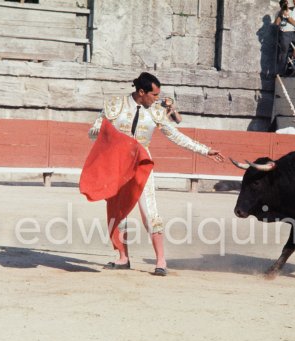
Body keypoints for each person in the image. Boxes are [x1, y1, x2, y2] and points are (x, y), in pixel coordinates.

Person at [82, 72, 224, 276]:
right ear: (142, 92)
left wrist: (205, 150)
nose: (157, 99)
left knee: (149, 212)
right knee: (118, 212)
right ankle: (123, 258)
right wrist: (102, 130)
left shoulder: (156, 112)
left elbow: (176, 136)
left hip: (141, 165)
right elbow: (92, 132)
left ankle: (161, 261)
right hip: (117, 165)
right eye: (154, 95)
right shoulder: (115, 105)